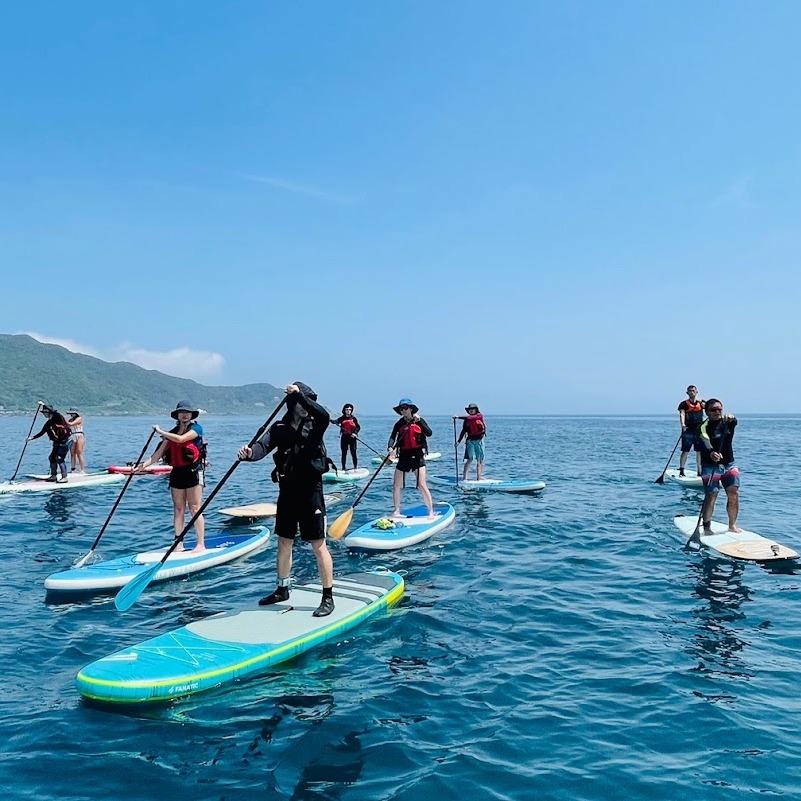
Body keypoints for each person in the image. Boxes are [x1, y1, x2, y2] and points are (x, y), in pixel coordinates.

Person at [238, 382, 336, 617]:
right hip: (288, 490)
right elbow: (263, 446)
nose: (305, 405)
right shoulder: (279, 427)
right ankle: (282, 589)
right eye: (301, 401)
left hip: (311, 491)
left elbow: (324, 413)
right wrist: (250, 454)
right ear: (291, 404)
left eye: (308, 400)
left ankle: (327, 596)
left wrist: (300, 395)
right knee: (284, 541)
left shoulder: (316, 424)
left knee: (317, 544)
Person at [137, 400, 206, 552]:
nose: (185, 415)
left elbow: (181, 440)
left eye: (187, 413)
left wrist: (160, 432)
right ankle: (178, 543)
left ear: (191, 415)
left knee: (194, 508)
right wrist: (142, 466)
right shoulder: (172, 432)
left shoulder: (197, 428)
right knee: (179, 509)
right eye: (182, 413)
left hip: (193, 472)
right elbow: (157, 455)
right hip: (177, 473)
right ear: (177, 415)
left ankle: (200, 544)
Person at [697, 398, 740, 534]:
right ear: (707, 412)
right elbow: (705, 441)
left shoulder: (728, 422)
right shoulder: (702, 427)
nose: (717, 412)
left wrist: (732, 417)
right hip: (710, 465)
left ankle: (732, 525)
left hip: (729, 464)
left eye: (719, 409)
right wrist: (711, 453)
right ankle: (707, 527)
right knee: (712, 495)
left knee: (733, 493)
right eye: (713, 410)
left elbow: (734, 420)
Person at [387, 398, 434, 518]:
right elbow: (392, 437)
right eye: (401, 409)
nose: (403, 410)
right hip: (403, 455)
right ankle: (397, 510)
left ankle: (431, 511)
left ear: (411, 409)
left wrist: (421, 423)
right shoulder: (399, 423)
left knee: (421, 484)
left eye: (406, 408)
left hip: (417, 455)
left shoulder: (419, 420)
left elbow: (429, 433)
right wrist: (390, 448)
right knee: (396, 485)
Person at [28, 405, 73, 482]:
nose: (44, 414)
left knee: (59, 458)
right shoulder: (49, 423)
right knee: (52, 458)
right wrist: (32, 438)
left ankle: (64, 477)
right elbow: (42, 432)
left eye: (45, 412)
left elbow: (56, 413)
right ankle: (53, 476)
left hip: (64, 442)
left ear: (49, 412)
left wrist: (44, 405)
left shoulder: (58, 418)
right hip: (56, 443)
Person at [677, 385, 705, 476]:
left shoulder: (701, 403)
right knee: (685, 450)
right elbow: (682, 414)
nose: (691, 392)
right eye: (690, 391)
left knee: (699, 451)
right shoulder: (684, 404)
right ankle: (681, 470)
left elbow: (711, 408)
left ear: (697, 392)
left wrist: (704, 403)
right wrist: (683, 425)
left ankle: (700, 472)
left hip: (699, 431)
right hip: (688, 430)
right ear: (687, 393)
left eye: (693, 390)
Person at [457, 403, 486, 480]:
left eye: (472, 409)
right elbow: (463, 431)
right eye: (469, 410)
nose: (471, 411)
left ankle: (479, 477)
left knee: (479, 459)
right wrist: (458, 441)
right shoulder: (467, 420)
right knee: (470, 459)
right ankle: (465, 478)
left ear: (476, 410)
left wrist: (458, 417)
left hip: (479, 441)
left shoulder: (479, 416)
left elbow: (471, 418)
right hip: (470, 441)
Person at [333, 403, 361, 470]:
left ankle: (355, 468)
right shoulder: (341, 418)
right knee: (344, 453)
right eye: (347, 409)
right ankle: (343, 468)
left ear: (351, 410)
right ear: (344, 410)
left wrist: (355, 433)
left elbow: (358, 427)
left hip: (352, 438)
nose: (348, 411)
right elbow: (334, 421)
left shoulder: (354, 418)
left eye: (350, 410)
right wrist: (336, 423)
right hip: (344, 437)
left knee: (353, 453)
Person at [67, 408, 86, 473]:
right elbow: (68, 427)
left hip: (79, 435)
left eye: (72, 413)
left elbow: (71, 424)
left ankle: (82, 470)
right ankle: (73, 469)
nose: (71, 414)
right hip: (73, 435)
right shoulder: (70, 420)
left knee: (79, 452)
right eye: (71, 413)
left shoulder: (79, 418)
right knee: (72, 453)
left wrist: (62, 420)